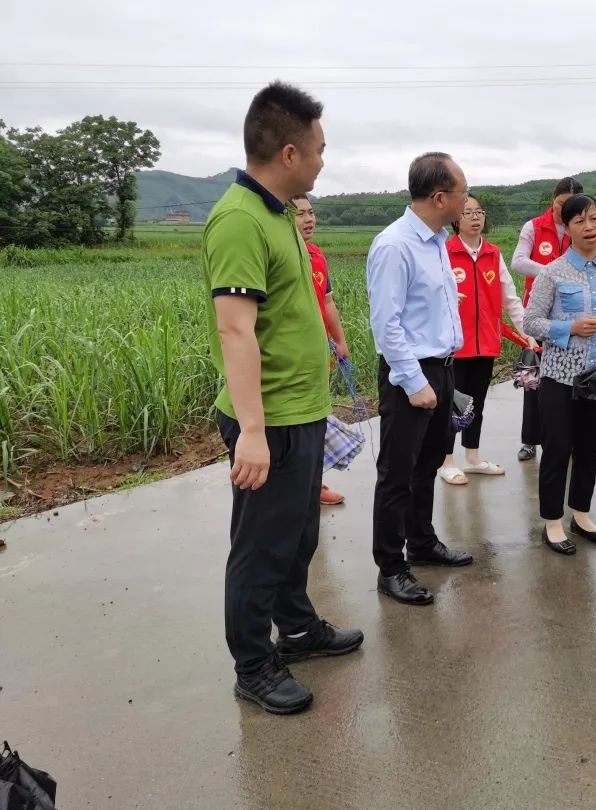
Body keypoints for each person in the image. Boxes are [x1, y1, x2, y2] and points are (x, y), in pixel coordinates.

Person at [202, 81, 363, 715]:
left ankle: (296, 628)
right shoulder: (239, 220)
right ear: (290, 153)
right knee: (260, 547)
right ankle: (253, 663)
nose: (325, 161)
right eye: (321, 150)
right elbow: (235, 329)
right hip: (266, 419)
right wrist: (251, 432)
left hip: (302, 410)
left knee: (297, 536)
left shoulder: (276, 212)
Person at [367, 152, 475, 606]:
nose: (467, 201)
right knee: (397, 473)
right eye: (462, 193)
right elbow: (386, 324)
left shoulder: (435, 242)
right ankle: (391, 567)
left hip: (442, 370)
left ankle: (423, 542)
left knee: (428, 463)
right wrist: (415, 383)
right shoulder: (394, 245)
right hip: (409, 373)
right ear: (438, 197)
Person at [523, 194, 596, 555]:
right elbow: (531, 322)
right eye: (579, 222)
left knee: (590, 450)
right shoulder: (552, 272)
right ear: (567, 228)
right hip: (560, 378)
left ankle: (582, 515)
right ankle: (553, 522)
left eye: (594, 219)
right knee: (557, 449)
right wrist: (568, 327)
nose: (589, 227)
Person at [439, 195, 537, 485]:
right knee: (453, 403)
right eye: (468, 212)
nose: (474, 217)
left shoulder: (493, 254)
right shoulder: (445, 252)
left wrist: (528, 333)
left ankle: (472, 457)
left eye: (479, 212)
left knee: (477, 402)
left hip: (485, 342)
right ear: (457, 218)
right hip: (455, 346)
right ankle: (447, 461)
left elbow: (511, 299)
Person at [510, 176, 584, 461]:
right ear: (552, 201)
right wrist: (553, 271)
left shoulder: (579, 226)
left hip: (572, 317)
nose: (563, 211)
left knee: (571, 379)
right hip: (539, 316)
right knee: (535, 379)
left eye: (570, 206)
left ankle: (571, 438)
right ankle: (530, 440)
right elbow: (518, 261)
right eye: (559, 204)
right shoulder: (534, 227)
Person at [292, 192, 349, 506]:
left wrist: (340, 340)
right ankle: (291, 487)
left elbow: (327, 302)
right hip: (288, 357)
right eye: (300, 213)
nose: (309, 219)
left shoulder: (316, 256)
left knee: (317, 421)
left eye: (311, 212)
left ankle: (315, 484)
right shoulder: (278, 255)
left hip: (318, 354)